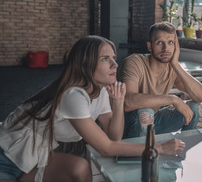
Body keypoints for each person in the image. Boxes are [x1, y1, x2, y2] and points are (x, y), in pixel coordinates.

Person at [0, 36, 185, 182]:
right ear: (85, 64)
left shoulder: (101, 91)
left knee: (80, 169)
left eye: (113, 57)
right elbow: (107, 148)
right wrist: (158, 148)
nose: (115, 64)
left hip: (33, 158)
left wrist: (118, 102)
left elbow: (113, 137)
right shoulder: (74, 95)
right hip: (5, 158)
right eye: (105, 59)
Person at [120, 22, 202, 138]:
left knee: (198, 108)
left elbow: (200, 96)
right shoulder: (134, 62)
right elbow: (128, 101)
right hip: (128, 126)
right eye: (159, 43)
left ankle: (186, 152)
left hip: (155, 120)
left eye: (170, 42)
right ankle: (141, 155)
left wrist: (175, 64)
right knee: (146, 112)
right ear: (150, 46)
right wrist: (173, 99)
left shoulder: (172, 68)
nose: (166, 48)